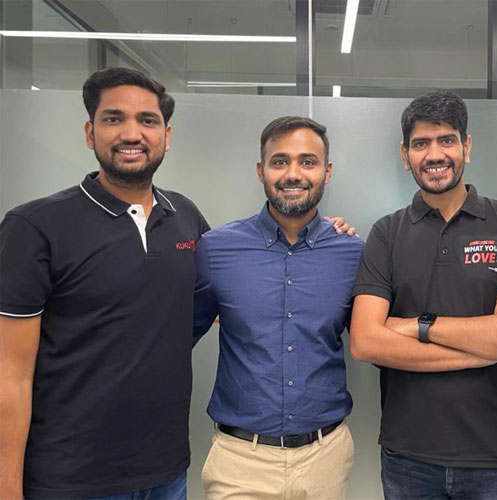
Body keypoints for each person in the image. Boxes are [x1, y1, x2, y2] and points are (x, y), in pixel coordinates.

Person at [0, 68, 209, 499]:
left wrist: (325, 234)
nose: (132, 134)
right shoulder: (33, 227)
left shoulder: (184, 215)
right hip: (70, 479)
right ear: (89, 132)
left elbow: (230, 295)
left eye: (147, 120)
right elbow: (9, 377)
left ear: (166, 135)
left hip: (167, 473)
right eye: (114, 118)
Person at [349, 90, 497, 500]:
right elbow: (365, 341)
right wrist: (487, 346)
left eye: (446, 140)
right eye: (421, 143)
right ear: (405, 155)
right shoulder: (386, 233)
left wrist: (417, 326)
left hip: (495, 456)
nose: (434, 154)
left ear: (466, 147)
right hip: (408, 457)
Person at [193, 116, 363, 500]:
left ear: (327, 172)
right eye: (279, 161)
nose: (293, 174)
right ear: (261, 170)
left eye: (308, 161)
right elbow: (175, 336)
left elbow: (372, 340)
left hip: (325, 458)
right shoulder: (216, 249)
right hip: (240, 461)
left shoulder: (353, 253)